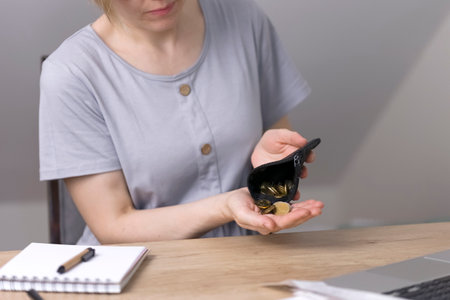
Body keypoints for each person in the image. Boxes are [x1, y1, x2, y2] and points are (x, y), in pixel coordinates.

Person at [39, 0, 324, 245]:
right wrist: (225, 206)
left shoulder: (244, 19)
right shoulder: (71, 73)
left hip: (251, 260)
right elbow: (114, 226)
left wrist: (272, 169)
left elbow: (276, 141)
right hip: (141, 272)